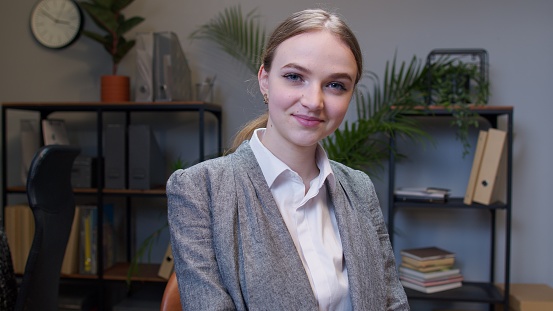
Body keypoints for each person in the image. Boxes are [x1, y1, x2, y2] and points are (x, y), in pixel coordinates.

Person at [167, 8, 409, 310]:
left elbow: (392, 302)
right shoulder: (199, 190)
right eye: (295, 77)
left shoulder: (359, 188)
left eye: (336, 85)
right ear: (265, 80)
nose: (313, 101)